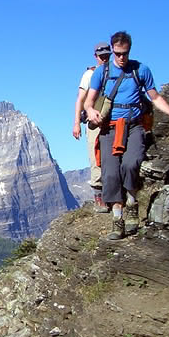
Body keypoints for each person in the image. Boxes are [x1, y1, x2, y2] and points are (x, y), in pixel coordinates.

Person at [84, 31, 169, 240]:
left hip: (134, 126)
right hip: (109, 127)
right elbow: (89, 102)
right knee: (110, 174)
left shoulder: (141, 70)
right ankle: (117, 221)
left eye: (125, 53)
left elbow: (155, 97)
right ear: (113, 50)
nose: (121, 58)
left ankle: (132, 202)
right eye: (117, 53)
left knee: (131, 164)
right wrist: (91, 112)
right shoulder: (102, 73)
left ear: (129, 50)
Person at [73, 42, 111, 213]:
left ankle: (114, 194)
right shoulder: (89, 75)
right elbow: (80, 99)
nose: (104, 58)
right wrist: (76, 123)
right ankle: (99, 196)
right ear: (96, 56)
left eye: (107, 55)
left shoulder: (117, 73)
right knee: (96, 156)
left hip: (113, 119)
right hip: (94, 122)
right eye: (101, 55)